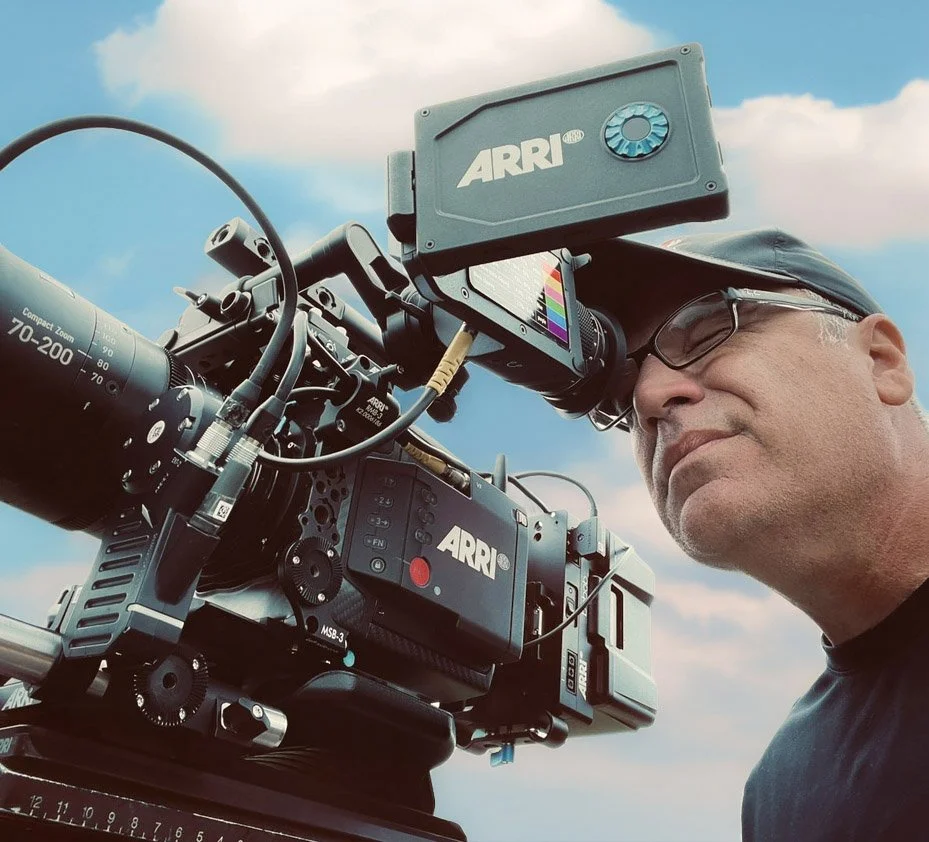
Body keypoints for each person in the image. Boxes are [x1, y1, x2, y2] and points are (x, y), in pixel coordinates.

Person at [578, 228, 929, 841]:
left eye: (708, 329)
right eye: (621, 394)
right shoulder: (781, 790)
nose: (650, 397)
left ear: (881, 362)